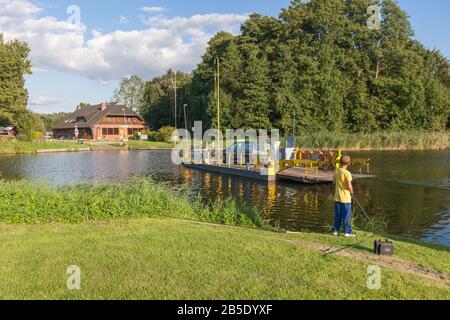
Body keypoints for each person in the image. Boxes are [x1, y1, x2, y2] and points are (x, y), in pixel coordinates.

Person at [333, 155, 355, 237]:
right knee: (346, 216)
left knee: (337, 215)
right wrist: (352, 192)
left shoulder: (336, 171)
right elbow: (349, 186)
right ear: (348, 163)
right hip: (346, 198)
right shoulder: (348, 173)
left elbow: (333, 182)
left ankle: (335, 230)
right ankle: (347, 232)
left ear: (340, 162)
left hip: (337, 197)